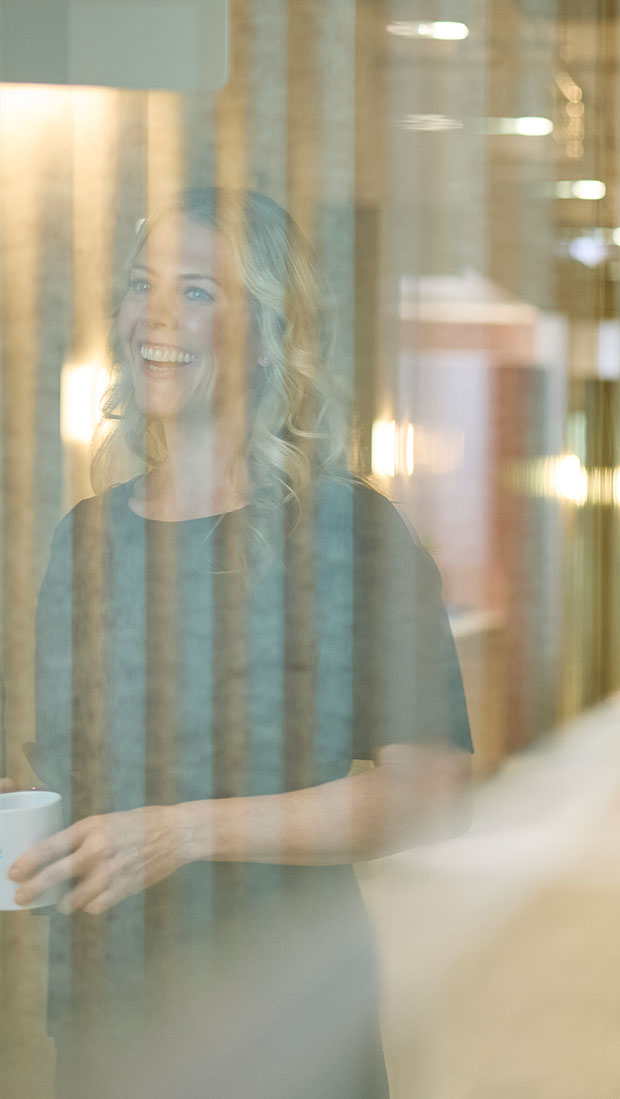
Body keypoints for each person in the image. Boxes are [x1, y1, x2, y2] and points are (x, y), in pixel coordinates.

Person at [2, 187, 473, 1098]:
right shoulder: (85, 537)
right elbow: (77, 780)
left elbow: (432, 787)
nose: (156, 316)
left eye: (197, 291)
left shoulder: (347, 531)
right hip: (103, 1021)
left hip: (280, 1021)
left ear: (266, 334)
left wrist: (180, 836)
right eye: (142, 285)